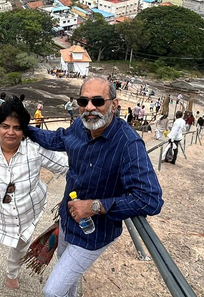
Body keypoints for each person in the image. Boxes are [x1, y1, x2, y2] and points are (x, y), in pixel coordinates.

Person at [25, 77, 163, 297]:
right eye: (83, 101)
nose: (89, 108)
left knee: (52, 291)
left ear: (114, 105)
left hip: (93, 234)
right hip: (68, 221)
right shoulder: (80, 126)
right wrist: (23, 128)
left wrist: (95, 206)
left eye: (98, 101)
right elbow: (57, 139)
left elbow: (150, 198)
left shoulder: (128, 143)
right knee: (67, 278)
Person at [0, 98, 68, 296]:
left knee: (20, 247)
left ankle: (12, 272)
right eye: (5, 126)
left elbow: (66, 166)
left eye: (17, 128)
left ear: (24, 130)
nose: (11, 132)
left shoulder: (34, 150)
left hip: (27, 215)